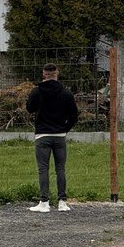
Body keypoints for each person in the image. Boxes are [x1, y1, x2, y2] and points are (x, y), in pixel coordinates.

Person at [26, 64, 78, 212]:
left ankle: (44, 202)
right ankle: (62, 202)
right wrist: (64, 129)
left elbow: (29, 108)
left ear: (44, 74)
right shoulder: (66, 92)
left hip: (42, 134)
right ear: (57, 74)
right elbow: (74, 116)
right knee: (60, 169)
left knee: (43, 168)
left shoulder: (37, 91)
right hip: (59, 135)